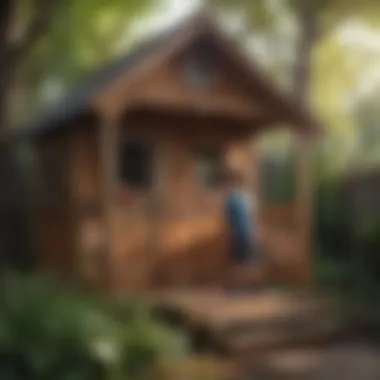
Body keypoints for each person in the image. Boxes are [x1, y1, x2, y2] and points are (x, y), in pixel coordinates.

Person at [223, 170, 258, 264]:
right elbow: (228, 215)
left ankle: (246, 263)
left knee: (245, 248)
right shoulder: (232, 198)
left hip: (244, 227)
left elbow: (250, 213)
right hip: (238, 229)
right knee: (239, 249)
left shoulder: (243, 196)